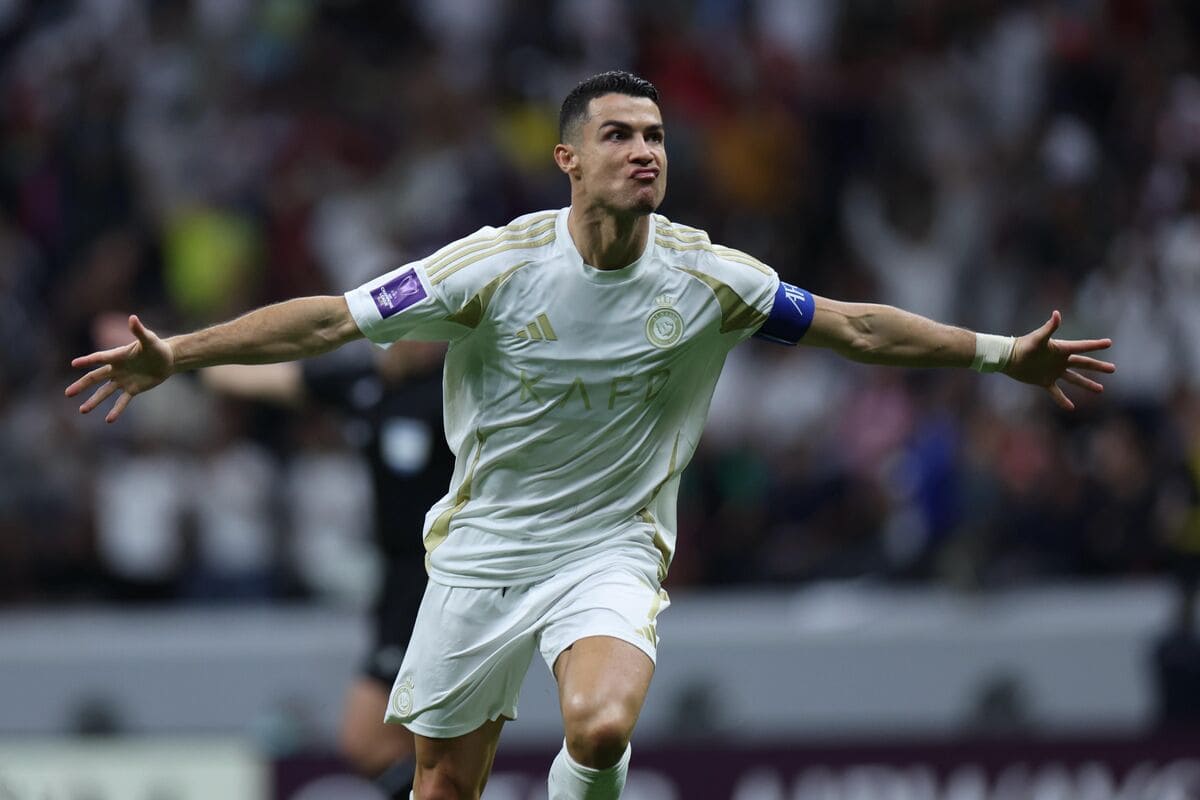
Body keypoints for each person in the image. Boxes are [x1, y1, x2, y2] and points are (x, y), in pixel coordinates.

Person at [67, 71, 1115, 800]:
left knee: (602, 725)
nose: (644, 150)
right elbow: (330, 321)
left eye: (654, 136)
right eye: (619, 135)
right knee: (441, 782)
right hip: (482, 548)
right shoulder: (494, 265)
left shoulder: (709, 277)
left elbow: (856, 327)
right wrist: (181, 354)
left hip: (610, 546)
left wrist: (998, 353)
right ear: (568, 158)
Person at [202, 340, 451, 797]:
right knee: (414, 752)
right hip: (397, 580)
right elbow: (267, 377)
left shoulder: (456, 385)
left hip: (440, 578)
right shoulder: (362, 382)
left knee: (368, 740)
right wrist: (177, 355)